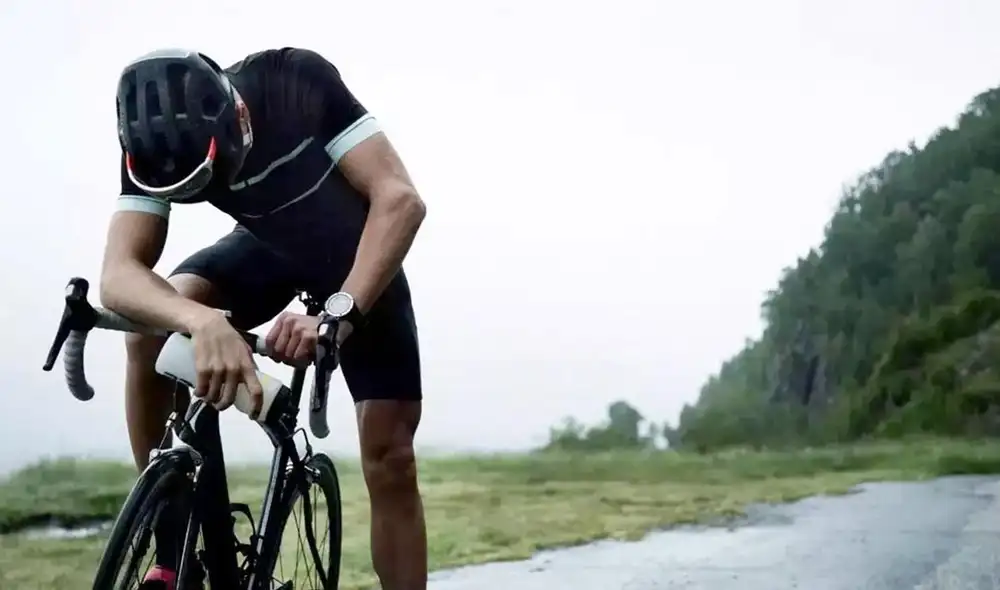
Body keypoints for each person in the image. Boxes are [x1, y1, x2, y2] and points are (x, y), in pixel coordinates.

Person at [103, 47, 428, 590]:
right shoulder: (154, 145)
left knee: (390, 456)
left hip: (358, 261)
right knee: (148, 330)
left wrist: (337, 314)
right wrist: (201, 321)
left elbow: (399, 201)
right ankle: (171, 547)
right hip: (263, 251)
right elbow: (118, 274)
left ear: (238, 120)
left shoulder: (292, 82)